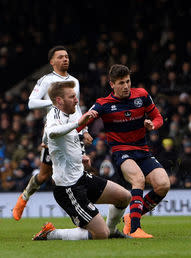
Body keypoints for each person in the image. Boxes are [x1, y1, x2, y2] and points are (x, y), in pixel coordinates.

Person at [32, 81, 131, 240]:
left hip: (81, 178)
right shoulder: (54, 116)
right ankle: (51, 233)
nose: (77, 100)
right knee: (100, 234)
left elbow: (55, 138)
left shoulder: (67, 115)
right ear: (59, 101)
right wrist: (78, 124)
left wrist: (80, 157)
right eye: (72, 97)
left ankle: (112, 230)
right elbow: (51, 132)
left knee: (124, 197)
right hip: (68, 188)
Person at [82, 64, 170, 238]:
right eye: (121, 83)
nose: (126, 86)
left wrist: (153, 125)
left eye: (128, 81)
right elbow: (84, 119)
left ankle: (131, 217)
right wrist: (84, 131)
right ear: (112, 84)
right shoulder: (103, 104)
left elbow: (157, 117)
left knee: (163, 185)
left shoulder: (142, 95)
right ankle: (134, 229)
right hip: (121, 152)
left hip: (142, 151)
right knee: (138, 179)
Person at [13, 46, 93, 221]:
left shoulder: (74, 81)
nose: (65, 59)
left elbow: (76, 106)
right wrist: (53, 102)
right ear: (52, 62)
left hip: (71, 132)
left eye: (67, 56)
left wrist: (85, 129)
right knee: (44, 175)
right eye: (60, 57)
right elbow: (32, 103)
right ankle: (24, 197)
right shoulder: (46, 80)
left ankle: (83, 214)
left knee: (79, 171)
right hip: (54, 132)